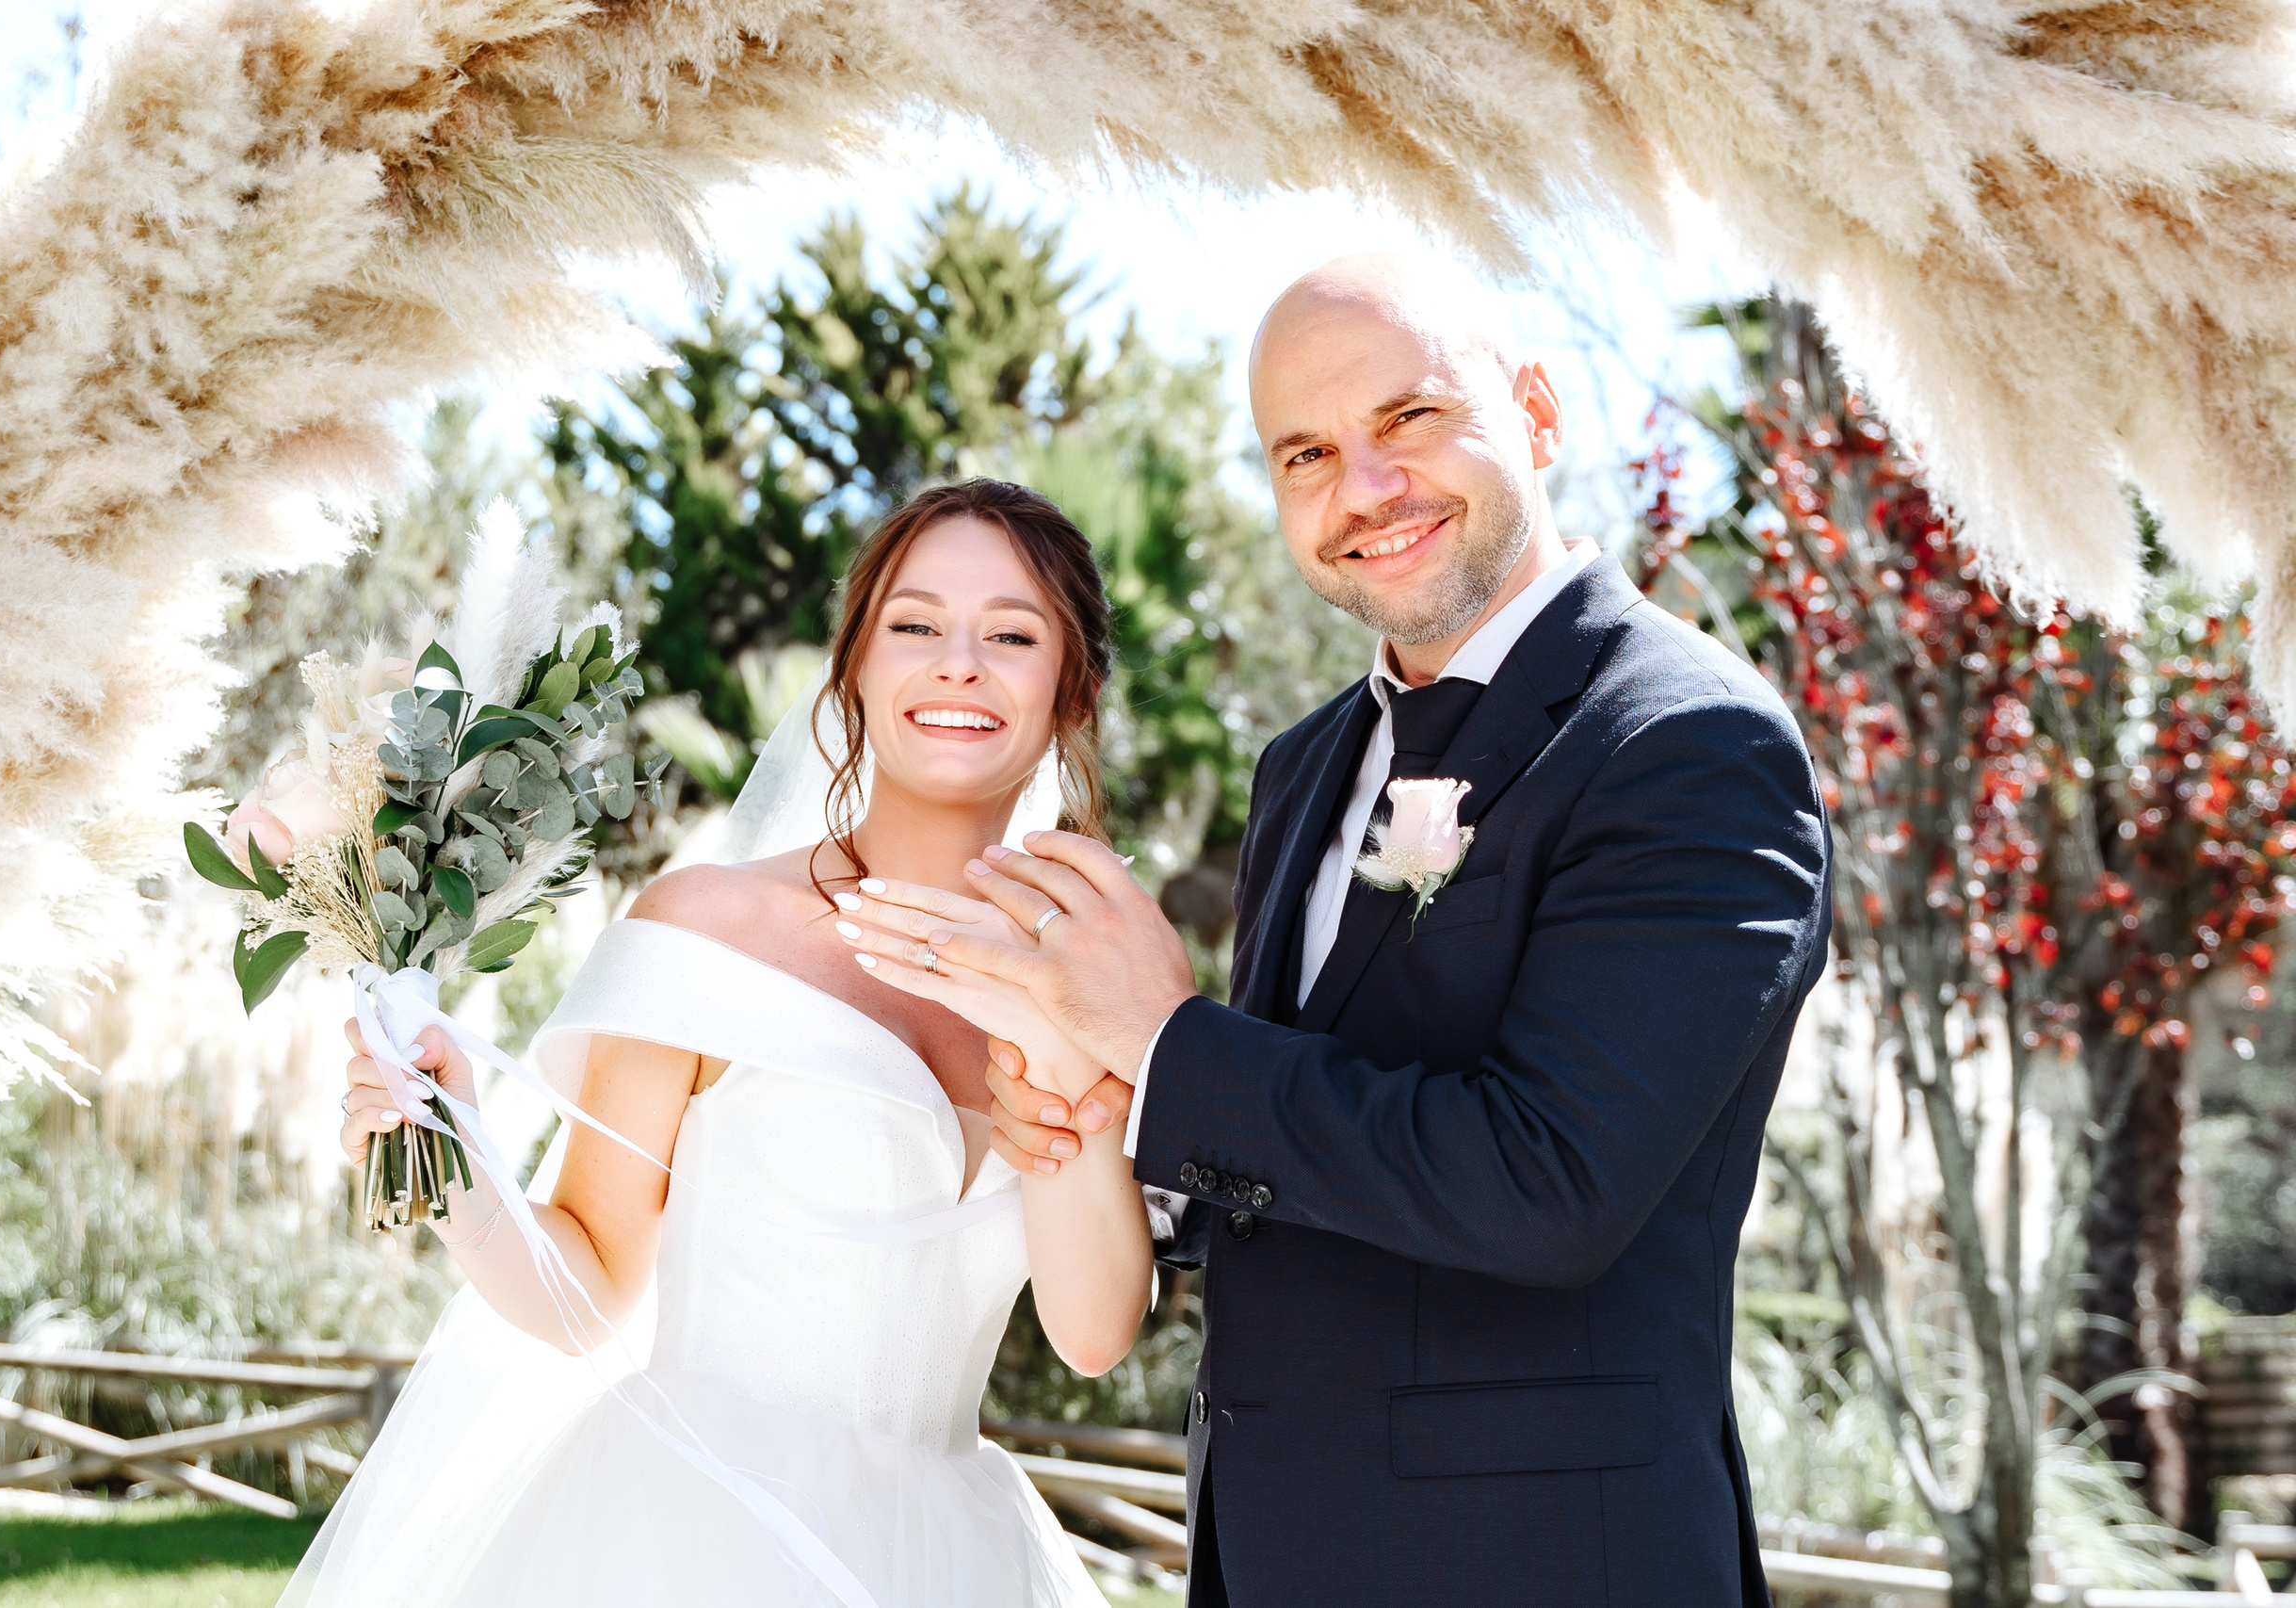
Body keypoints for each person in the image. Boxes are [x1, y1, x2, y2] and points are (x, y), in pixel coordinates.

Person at [837, 253, 1833, 1607]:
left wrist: (1168, 1039)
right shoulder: (1306, 766)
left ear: (1538, 412)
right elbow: (1292, 1154)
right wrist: (1107, 1101)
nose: (1362, 488)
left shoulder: (1683, 741)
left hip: (1540, 1564)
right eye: (1305, 452)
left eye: (1409, 420)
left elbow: (1550, 1186)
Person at [283, 480, 1151, 1608]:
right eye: (916, 625)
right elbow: (587, 1290)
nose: (959, 664)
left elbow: (1090, 1332)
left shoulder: (1094, 967)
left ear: (1070, 694)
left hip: (955, 1557)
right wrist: (448, 1155)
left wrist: (1049, 1027)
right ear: (852, 671)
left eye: (1012, 635)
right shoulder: (710, 928)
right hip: (690, 1531)